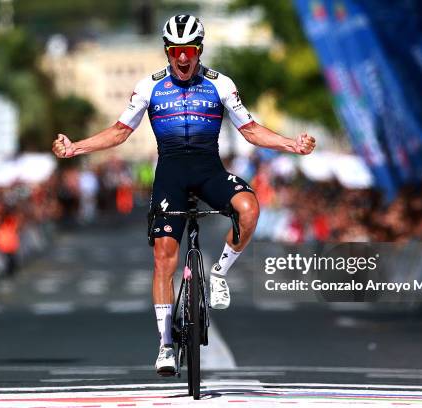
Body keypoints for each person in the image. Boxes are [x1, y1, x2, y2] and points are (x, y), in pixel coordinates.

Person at [52, 14, 316, 376]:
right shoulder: (149, 87)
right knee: (164, 258)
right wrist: (75, 149)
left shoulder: (221, 84)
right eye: (175, 50)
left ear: (199, 50)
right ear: (167, 51)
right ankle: (164, 345)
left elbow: (251, 131)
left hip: (210, 171)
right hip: (170, 175)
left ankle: (219, 273)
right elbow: (118, 133)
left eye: (189, 50)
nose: (182, 58)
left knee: (249, 209)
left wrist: (291, 144)